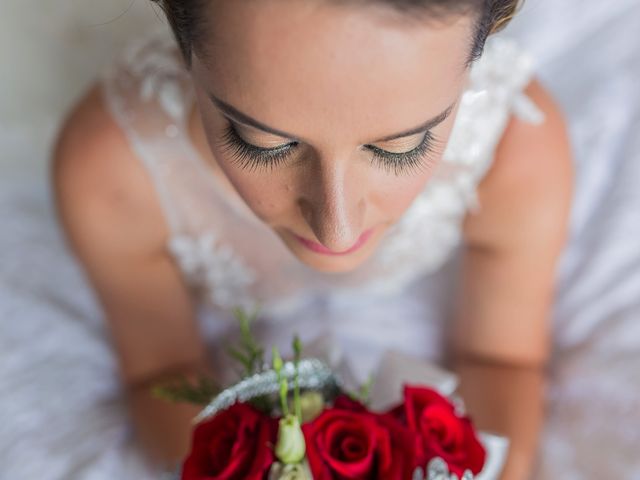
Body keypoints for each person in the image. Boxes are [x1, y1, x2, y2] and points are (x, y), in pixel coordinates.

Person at [52, 0, 573, 478]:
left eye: (401, 147)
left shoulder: (513, 150)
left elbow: (501, 360)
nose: (335, 227)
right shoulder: (117, 175)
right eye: (264, 142)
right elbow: (163, 370)